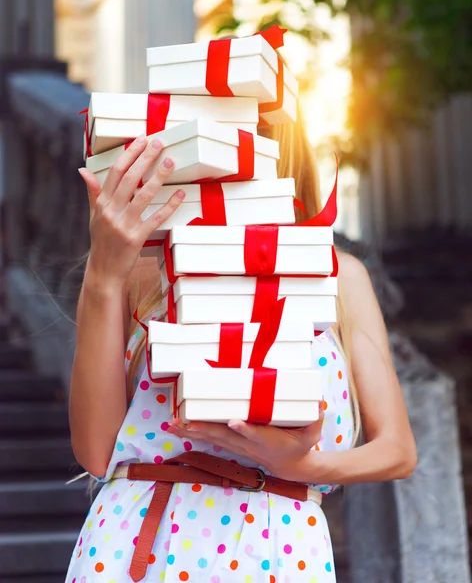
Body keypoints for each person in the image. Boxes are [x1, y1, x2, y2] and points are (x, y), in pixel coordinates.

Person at [66, 117, 417, 583]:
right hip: (141, 542)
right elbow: (94, 452)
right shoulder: (142, 273)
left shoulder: (338, 275)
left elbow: (397, 448)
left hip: (281, 547)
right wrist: (103, 273)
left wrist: (305, 465)